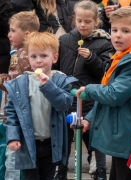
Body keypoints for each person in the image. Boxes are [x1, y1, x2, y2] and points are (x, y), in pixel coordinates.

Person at [75, 6, 131, 180]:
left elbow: (113, 95)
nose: (117, 35)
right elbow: (108, 95)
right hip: (123, 137)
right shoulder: (120, 57)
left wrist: (89, 89)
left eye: (125, 31)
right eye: (114, 30)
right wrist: (89, 118)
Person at [52, 0, 114, 179]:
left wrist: (92, 58)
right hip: (66, 97)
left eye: (87, 21)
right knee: (65, 138)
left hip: (89, 98)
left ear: (96, 21)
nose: (83, 24)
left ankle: (99, 169)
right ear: (74, 20)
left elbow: (105, 71)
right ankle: (61, 169)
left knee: (93, 137)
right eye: (79, 20)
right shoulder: (64, 40)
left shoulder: (104, 43)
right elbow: (56, 65)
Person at [3, 31, 78, 180]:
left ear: (55, 58)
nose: (39, 61)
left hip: (52, 143)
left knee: (48, 176)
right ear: (28, 59)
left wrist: (48, 86)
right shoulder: (20, 83)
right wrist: (12, 137)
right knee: (30, 177)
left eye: (44, 56)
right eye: (34, 56)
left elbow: (64, 103)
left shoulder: (61, 80)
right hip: (27, 143)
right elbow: (11, 113)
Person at [0, 11, 40, 180]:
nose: (9, 34)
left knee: (14, 160)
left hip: (18, 115)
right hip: (16, 114)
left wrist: (4, 83)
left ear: (27, 34)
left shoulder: (23, 56)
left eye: (13, 30)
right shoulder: (19, 54)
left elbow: (19, 87)